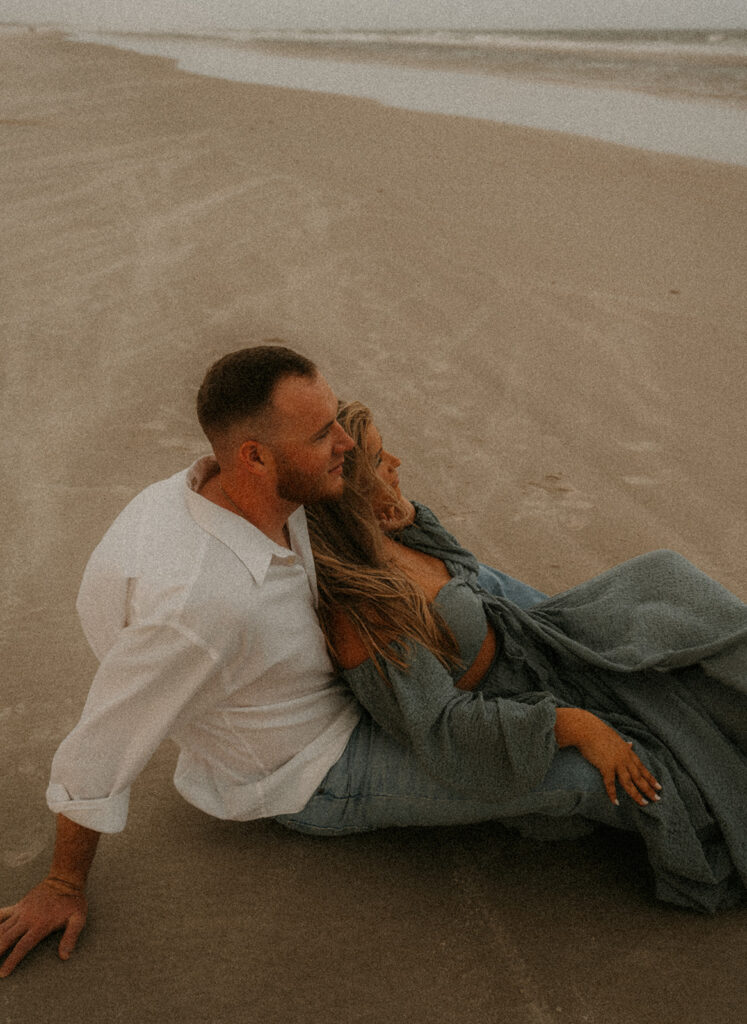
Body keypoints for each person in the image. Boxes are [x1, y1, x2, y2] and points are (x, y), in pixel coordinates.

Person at [0, 344, 570, 979]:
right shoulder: (198, 610)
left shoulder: (227, 487)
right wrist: (61, 883)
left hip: (340, 683)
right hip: (319, 766)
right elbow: (103, 741)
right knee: (577, 774)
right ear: (254, 457)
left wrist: (391, 506)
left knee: (545, 630)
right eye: (324, 433)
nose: (345, 446)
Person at [295, 400, 747, 914]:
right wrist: (577, 727)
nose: (397, 462)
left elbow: (462, 567)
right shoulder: (362, 612)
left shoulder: (387, 532)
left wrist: (412, 516)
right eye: (379, 460)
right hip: (528, 698)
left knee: (667, 582)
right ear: (345, 490)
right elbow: (441, 727)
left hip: (540, 641)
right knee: (681, 739)